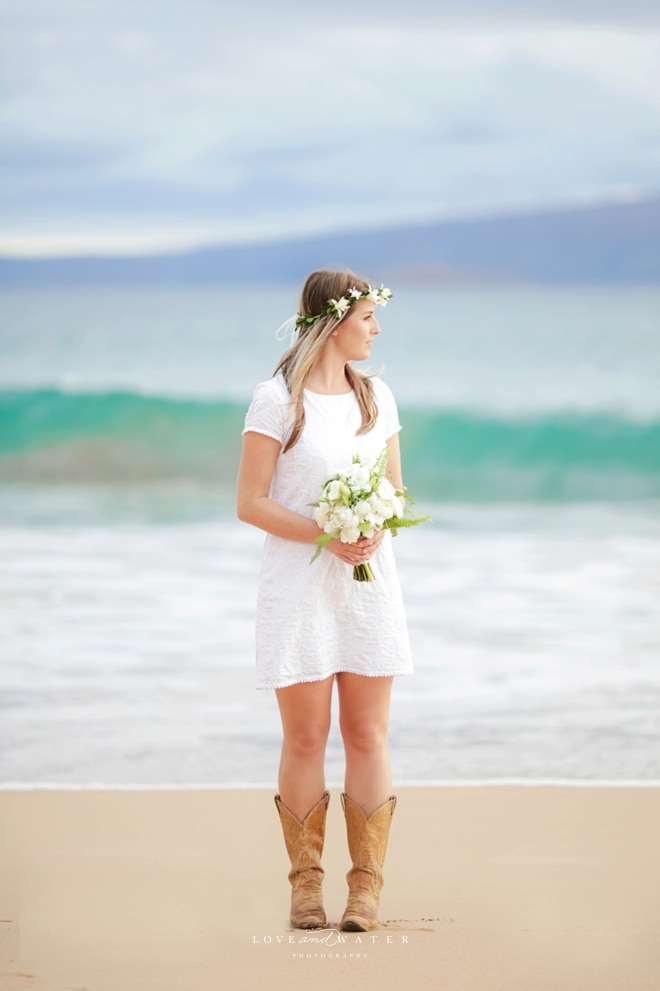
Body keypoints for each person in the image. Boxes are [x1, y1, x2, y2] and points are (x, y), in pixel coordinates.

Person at [236, 269, 413, 932]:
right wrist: (325, 531)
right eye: (367, 317)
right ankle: (304, 888)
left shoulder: (378, 398)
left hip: (368, 584)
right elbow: (249, 501)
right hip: (300, 583)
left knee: (368, 732)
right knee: (306, 734)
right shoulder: (276, 400)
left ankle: (365, 890)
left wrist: (372, 523)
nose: (375, 329)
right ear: (335, 322)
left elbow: (396, 489)